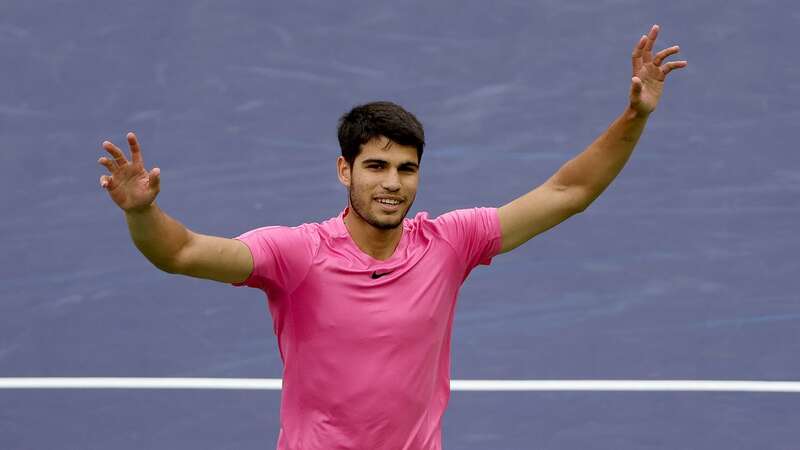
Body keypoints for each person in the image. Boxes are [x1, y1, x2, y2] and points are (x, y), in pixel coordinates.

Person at [97, 24, 686, 450]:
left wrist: (634, 118)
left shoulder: (450, 243)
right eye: (376, 167)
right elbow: (180, 252)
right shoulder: (296, 255)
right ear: (344, 170)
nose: (392, 184)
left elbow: (568, 192)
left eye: (406, 169)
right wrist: (142, 214)